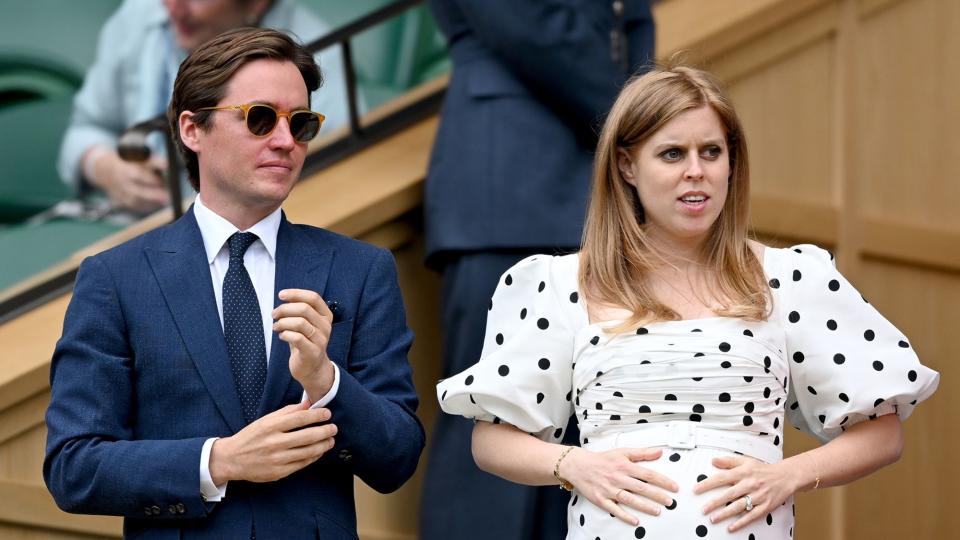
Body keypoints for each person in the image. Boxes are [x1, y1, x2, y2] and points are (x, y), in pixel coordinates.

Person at [436, 65, 939, 539]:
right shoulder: (562, 281)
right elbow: (492, 439)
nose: (695, 171)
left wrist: (788, 475)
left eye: (711, 152)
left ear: (731, 163)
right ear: (627, 166)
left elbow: (882, 432)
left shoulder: (791, 277)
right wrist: (573, 465)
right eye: (672, 153)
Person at [44, 28, 423, 539]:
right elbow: (73, 467)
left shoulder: (361, 268)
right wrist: (218, 461)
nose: (286, 140)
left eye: (301, 122)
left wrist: (326, 380)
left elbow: (397, 458)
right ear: (191, 130)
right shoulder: (115, 278)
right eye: (260, 118)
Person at [420, 2, 655, 538]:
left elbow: (633, 17)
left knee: (587, 433)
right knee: (491, 422)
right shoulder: (630, 119)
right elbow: (534, 28)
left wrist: (644, 116)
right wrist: (644, 119)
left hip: (603, 200)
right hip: (509, 192)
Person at [58, 0, 351, 213]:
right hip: (121, 224)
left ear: (257, 4)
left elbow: (325, 186)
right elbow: (84, 130)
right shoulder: (139, 15)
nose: (173, 7)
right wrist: (104, 166)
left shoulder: (313, 58)